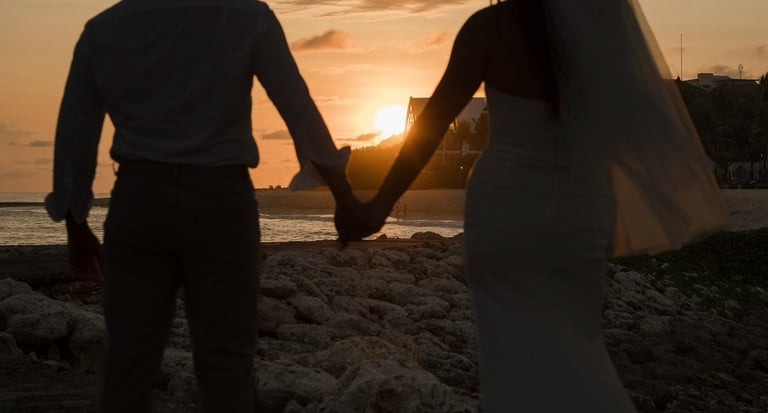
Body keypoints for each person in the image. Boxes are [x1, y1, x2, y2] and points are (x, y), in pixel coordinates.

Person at [339, 0, 727, 411]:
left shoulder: (489, 28)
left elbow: (430, 126)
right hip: (582, 211)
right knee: (580, 349)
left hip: (505, 210)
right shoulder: (604, 39)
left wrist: (378, 207)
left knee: (510, 360)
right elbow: (634, 131)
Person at [45, 0, 357, 411]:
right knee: (225, 365)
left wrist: (75, 223)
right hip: (221, 202)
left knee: (127, 364)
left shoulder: (105, 28)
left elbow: (76, 132)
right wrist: (344, 195)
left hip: (139, 201)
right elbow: (296, 106)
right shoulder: (246, 15)